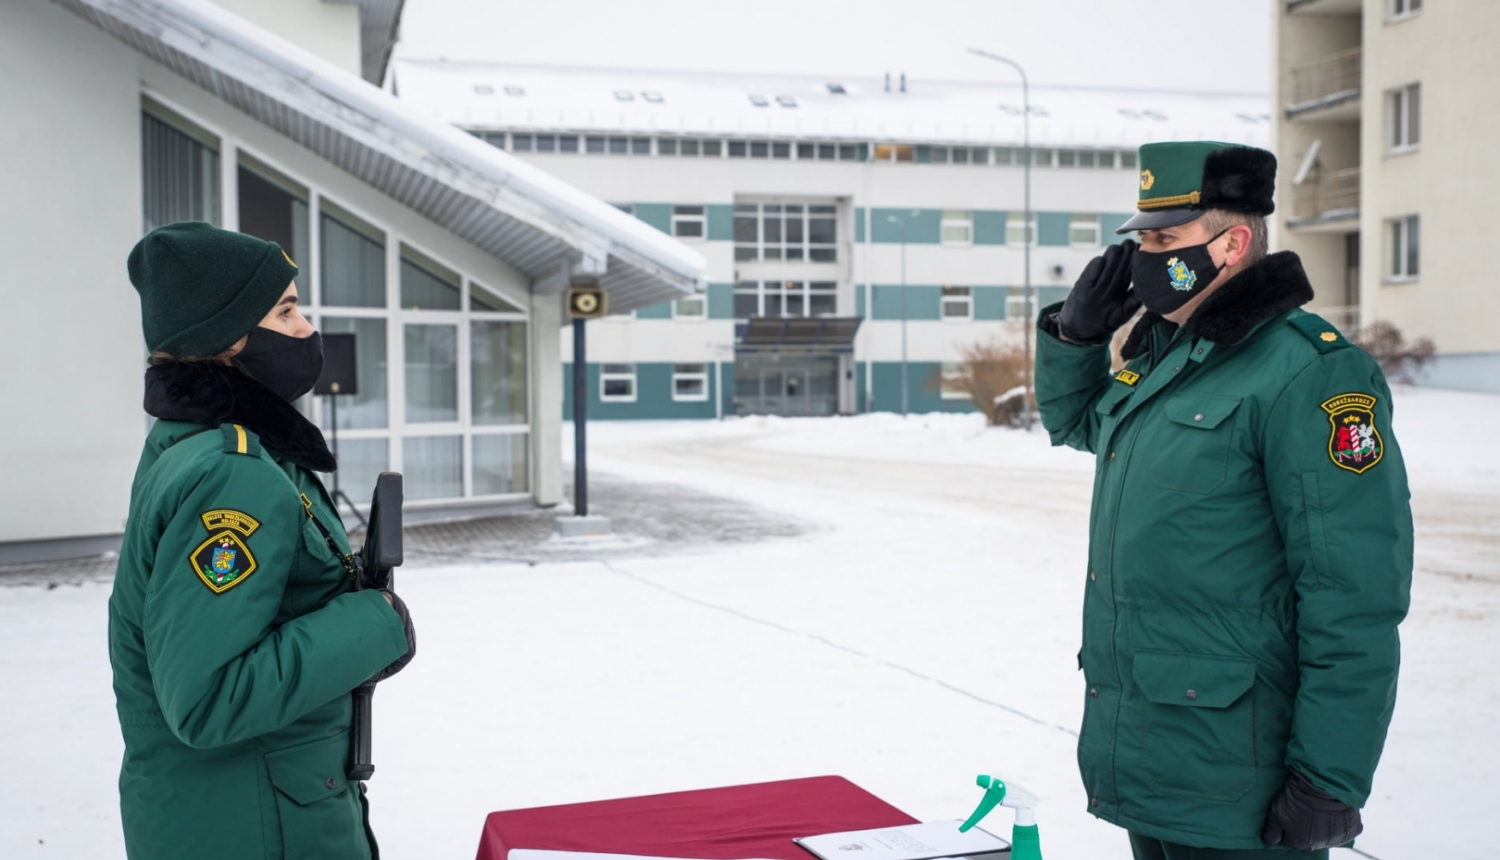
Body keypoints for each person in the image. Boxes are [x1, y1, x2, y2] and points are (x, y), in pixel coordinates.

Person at [1034, 142, 1412, 859]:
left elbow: (1354, 592)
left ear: (1232, 243)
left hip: (1245, 778)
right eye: (1141, 239)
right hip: (1157, 753)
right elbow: (1079, 426)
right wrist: (1076, 337)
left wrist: (1330, 778)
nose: (1144, 258)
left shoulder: (1311, 373)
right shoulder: (1165, 355)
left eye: (1165, 240)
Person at [108, 221, 417, 860]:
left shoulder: (203, 445)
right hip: (257, 825)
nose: (307, 329)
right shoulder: (232, 473)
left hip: (247, 808)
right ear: (224, 339)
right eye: (285, 309)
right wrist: (375, 622)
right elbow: (206, 699)